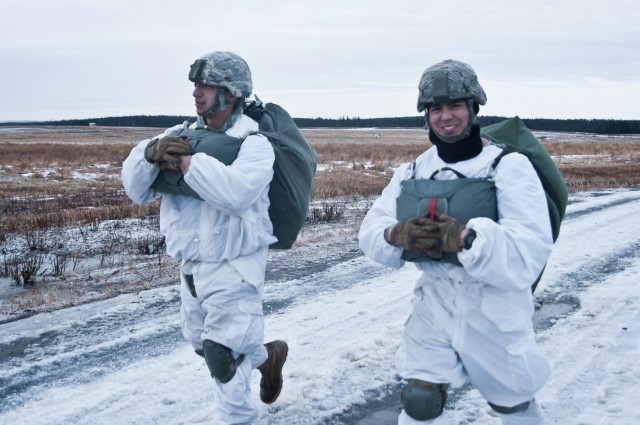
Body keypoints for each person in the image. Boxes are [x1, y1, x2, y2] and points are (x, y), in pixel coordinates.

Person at [358, 59, 553, 424]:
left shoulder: (507, 167)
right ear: (426, 115)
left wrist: (464, 238)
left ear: (473, 108)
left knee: (514, 409)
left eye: (455, 106)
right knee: (419, 402)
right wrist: (394, 234)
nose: (446, 116)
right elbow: (371, 229)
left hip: (494, 312)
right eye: (436, 108)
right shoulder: (414, 170)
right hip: (434, 305)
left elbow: (529, 252)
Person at [122, 51, 288, 425]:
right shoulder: (180, 134)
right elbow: (136, 190)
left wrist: (186, 162)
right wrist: (149, 154)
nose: (197, 93)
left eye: (207, 86)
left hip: (236, 263)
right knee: (201, 344)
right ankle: (267, 357)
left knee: (222, 354)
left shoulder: (254, 143)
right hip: (192, 265)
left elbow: (236, 193)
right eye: (196, 85)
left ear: (231, 93)